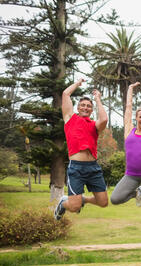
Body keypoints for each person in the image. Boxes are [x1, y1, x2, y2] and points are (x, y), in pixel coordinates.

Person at [54, 79, 109, 220]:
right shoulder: (70, 119)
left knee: (103, 202)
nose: (85, 107)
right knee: (74, 207)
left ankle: (83, 199)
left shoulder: (94, 125)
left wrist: (97, 99)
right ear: (78, 108)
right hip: (76, 168)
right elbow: (66, 94)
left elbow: (104, 120)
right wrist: (77, 84)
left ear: (91, 110)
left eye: (88, 106)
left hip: (93, 168)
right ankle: (63, 203)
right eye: (83, 105)